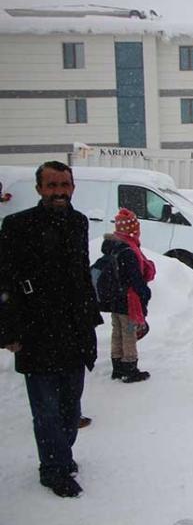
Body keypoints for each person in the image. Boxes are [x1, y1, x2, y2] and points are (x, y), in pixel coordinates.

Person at [0, 161, 103, 498]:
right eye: (52, 185)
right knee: (45, 409)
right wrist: (9, 330)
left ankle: (62, 455)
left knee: (70, 407)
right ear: (39, 189)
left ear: (72, 187)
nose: (59, 191)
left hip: (74, 330)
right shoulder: (17, 225)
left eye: (64, 185)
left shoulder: (78, 222)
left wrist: (91, 320)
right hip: (36, 330)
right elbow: (6, 280)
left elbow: (81, 276)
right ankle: (53, 469)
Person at [101, 208, 155, 383]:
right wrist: (145, 293)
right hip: (128, 300)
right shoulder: (129, 251)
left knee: (117, 332)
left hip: (114, 299)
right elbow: (136, 279)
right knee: (129, 333)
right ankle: (130, 368)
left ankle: (117, 366)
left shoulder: (113, 248)